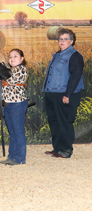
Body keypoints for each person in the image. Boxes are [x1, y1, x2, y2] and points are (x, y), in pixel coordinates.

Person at [43, 28, 84, 158]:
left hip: (64, 95)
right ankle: (57, 148)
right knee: (54, 123)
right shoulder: (58, 55)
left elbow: (75, 77)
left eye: (65, 39)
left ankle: (66, 150)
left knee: (64, 123)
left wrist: (68, 95)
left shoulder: (75, 56)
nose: (62, 41)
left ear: (71, 41)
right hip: (52, 94)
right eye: (61, 39)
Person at [0, 49, 28, 165]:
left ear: (22, 59)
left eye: (15, 56)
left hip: (17, 103)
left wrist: (0, 72)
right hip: (8, 104)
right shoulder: (10, 70)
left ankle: (20, 159)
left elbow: (8, 79)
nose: (12, 58)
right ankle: (11, 157)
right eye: (10, 56)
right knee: (13, 132)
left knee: (18, 132)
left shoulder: (21, 69)